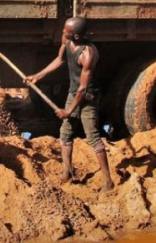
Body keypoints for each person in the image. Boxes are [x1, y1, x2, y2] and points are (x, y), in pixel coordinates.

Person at [27, 17, 114, 191]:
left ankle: (108, 181)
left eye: (66, 31)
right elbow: (59, 60)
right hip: (73, 93)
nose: (62, 32)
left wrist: (68, 111)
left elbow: (83, 88)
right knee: (65, 134)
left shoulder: (88, 54)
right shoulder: (67, 41)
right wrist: (37, 76)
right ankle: (67, 172)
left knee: (93, 137)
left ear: (75, 35)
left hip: (88, 97)